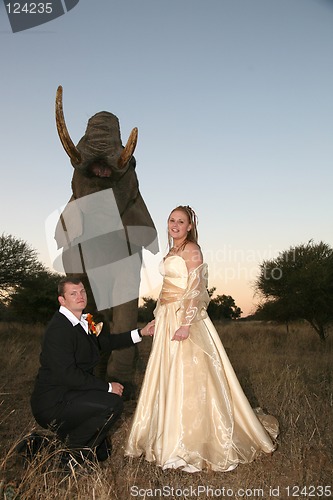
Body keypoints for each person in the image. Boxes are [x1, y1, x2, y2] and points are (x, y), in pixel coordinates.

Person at [125, 205, 279, 472]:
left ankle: (191, 443)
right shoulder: (172, 250)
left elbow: (197, 289)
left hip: (186, 319)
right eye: (172, 220)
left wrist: (185, 323)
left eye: (180, 221)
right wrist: (157, 317)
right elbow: (167, 287)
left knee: (190, 377)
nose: (175, 225)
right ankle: (168, 437)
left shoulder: (191, 250)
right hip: (166, 317)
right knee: (167, 375)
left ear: (189, 226)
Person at [30, 277, 154, 465]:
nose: (80, 296)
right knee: (112, 403)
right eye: (73, 293)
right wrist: (106, 387)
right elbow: (67, 374)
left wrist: (141, 333)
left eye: (82, 292)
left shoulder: (83, 321)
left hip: (74, 393)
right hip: (53, 402)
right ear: (62, 300)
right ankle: (70, 457)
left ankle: (52, 445)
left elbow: (106, 343)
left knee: (102, 452)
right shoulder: (59, 329)